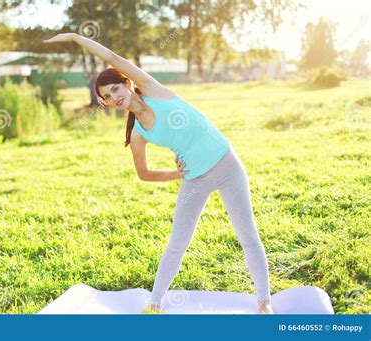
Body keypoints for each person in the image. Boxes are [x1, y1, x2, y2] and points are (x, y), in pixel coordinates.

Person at [43, 33, 274, 314]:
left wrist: (75, 37)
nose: (114, 97)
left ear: (127, 84)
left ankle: (264, 302)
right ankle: (155, 304)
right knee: (177, 244)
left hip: (227, 164)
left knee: (247, 235)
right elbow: (144, 173)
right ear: (103, 103)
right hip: (195, 178)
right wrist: (177, 175)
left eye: (115, 89)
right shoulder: (138, 134)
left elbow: (113, 58)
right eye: (107, 97)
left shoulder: (151, 88)